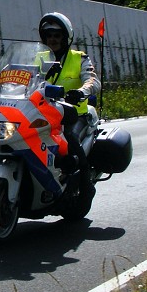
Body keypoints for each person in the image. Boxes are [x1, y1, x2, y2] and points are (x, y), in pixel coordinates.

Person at [38, 12, 101, 207]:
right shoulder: (37, 58)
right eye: (49, 36)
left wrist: (82, 91)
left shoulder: (79, 58)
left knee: (71, 142)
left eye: (57, 35)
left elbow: (93, 80)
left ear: (66, 37)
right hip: (42, 113)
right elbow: (18, 77)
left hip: (73, 115)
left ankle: (86, 185)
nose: (52, 39)